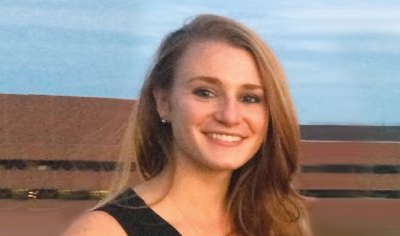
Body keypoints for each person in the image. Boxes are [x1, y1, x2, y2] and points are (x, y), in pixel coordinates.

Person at [63, 14, 311, 236]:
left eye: (250, 98)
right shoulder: (103, 231)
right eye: (205, 92)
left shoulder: (278, 224)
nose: (230, 116)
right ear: (164, 102)